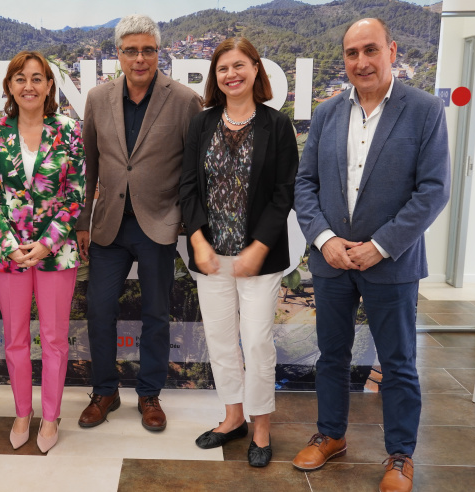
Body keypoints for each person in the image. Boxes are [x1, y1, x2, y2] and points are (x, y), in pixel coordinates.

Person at [293, 18, 450, 492]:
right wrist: (325, 239)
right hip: (333, 261)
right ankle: (331, 435)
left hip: (393, 263)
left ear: (391, 51)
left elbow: (433, 191)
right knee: (332, 356)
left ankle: (400, 455)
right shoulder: (326, 114)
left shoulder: (423, 111)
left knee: (398, 361)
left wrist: (380, 246)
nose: (360, 62)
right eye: (351, 53)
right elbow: (305, 185)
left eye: (370, 50)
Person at [75, 14, 202, 431]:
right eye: (131, 50)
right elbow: (89, 166)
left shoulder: (183, 100)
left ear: (158, 52)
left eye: (148, 49)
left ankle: (149, 394)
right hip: (108, 226)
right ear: (118, 54)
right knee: (99, 310)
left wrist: (184, 218)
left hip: (158, 225)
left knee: (155, 313)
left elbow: (192, 168)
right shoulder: (97, 98)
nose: (140, 58)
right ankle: (105, 391)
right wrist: (81, 222)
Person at [179, 37, 298, 467]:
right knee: (222, 342)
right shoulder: (202, 123)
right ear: (216, 76)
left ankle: (261, 424)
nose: (231, 74)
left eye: (239, 66)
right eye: (223, 68)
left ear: (255, 69)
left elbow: (284, 193)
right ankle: (232, 418)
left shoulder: (276, 125)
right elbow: (187, 188)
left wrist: (258, 248)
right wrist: (197, 239)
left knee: (258, 342)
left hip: (258, 261)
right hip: (210, 258)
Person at [0, 51, 85, 454]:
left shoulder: (69, 130)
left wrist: (45, 244)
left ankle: (51, 416)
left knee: (55, 340)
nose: (29, 85)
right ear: (8, 86)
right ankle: (23, 412)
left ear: (49, 86)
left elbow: (76, 194)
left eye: (38, 78)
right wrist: (9, 245)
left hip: (56, 253)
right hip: (8, 255)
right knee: (15, 339)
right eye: (20, 78)